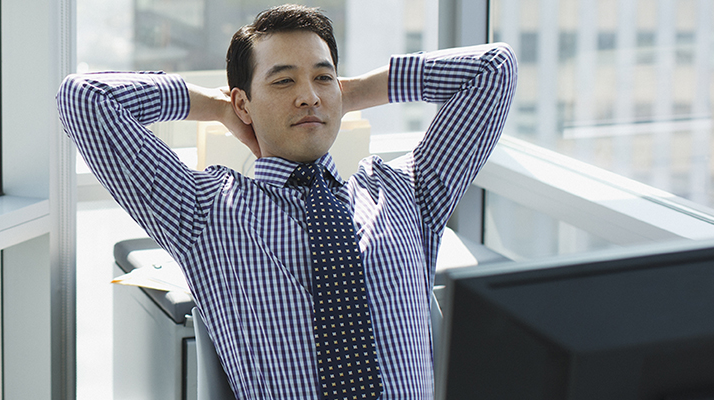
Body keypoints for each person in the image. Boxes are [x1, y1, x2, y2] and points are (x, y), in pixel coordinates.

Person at [57, 4, 516, 400]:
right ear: (244, 104)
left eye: (322, 77)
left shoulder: (407, 193)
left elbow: (494, 68)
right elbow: (84, 98)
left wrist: (352, 91)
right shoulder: (203, 211)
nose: (308, 96)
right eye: (282, 82)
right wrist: (217, 106)